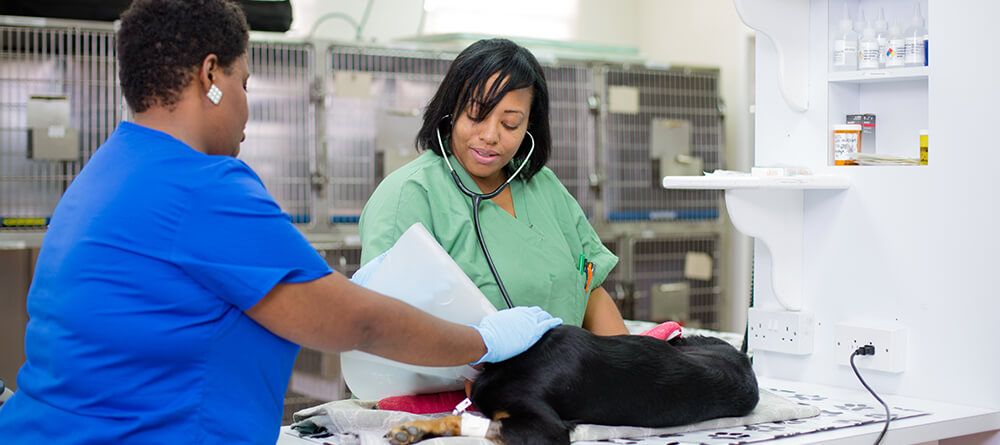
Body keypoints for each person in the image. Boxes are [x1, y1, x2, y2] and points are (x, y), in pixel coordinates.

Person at [0, 1, 559, 443]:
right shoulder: (202, 186)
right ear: (210, 75)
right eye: (244, 83)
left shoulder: (109, 168)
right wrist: (482, 340)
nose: (246, 106)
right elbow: (352, 324)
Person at [360, 39, 628, 336]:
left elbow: (592, 291)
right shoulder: (407, 195)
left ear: (529, 126)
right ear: (451, 111)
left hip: (567, 365)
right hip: (463, 368)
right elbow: (387, 325)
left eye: (510, 123)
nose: (490, 135)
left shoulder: (543, 186)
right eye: (476, 115)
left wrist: (627, 361)